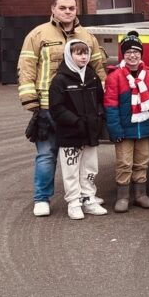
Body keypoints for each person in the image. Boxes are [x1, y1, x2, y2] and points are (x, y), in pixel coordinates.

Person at [18, 0, 107, 217]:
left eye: (72, 8)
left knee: (81, 157)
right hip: (49, 105)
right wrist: (30, 98)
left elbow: (99, 69)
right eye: (63, 8)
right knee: (47, 154)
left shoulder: (87, 37)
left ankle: (83, 196)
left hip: (79, 110)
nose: (68, 12)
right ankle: (42, 198)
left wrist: (101, 100)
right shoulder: (38, 35)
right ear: (53, 9)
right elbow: (27, 67)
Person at [104, 31, 149, 213]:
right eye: (129, 52)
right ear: (123, 54)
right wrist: (115, 129)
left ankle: (140, 195)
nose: (133, 55)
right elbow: (111, 106)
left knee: (142, 162)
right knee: (124, 163)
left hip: (144, 127)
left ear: (141, 54)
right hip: (124, 129)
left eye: (136, 52)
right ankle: (123, 197)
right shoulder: (115, 76)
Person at [48, 39, 109, 220]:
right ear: (69, 55)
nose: (83, 57)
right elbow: (56, 108)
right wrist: (75, 121)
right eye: (78, 53)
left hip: (90, 131)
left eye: (85, 53)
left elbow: (100, 99)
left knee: (90, 167)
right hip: (70, 133)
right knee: (71, 170)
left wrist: (98, 117)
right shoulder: (60, 80)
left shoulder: (91, 76)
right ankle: (74, 202)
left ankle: (88, 198)